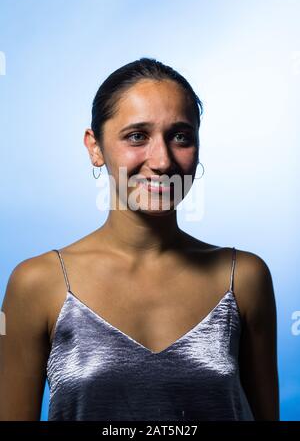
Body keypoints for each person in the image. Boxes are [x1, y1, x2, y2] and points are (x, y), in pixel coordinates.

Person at [0, 57, 279, 421]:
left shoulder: (243, 277)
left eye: (180, 136)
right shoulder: (38, 284)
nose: (162, 160)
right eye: (137, 136)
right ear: (94, 147)